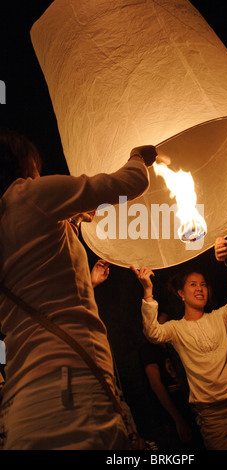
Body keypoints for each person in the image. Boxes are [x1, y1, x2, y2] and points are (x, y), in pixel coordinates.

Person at [0, 127, 157, 450]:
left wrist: (68, 221)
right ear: (22, 162)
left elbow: (42, 278)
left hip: (22, 402)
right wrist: (139, 158)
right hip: (68, 389)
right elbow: (127, 184)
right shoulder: (28, 194)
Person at [131, 237, 227, 450]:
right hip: (214, 415)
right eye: (193, 285)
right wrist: (147, 291)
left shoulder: (219, 317)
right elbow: (153, 333)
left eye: (203, 285)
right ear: (181, 293)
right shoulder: (176, 329)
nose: (200, 289)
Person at [139, 309, 202, 450]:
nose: (168, 326)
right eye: (164, 322)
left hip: (184, 408)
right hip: (168, 417)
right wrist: (178, 419)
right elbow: (156, 384)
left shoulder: (169, 347)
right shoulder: (148, 348)